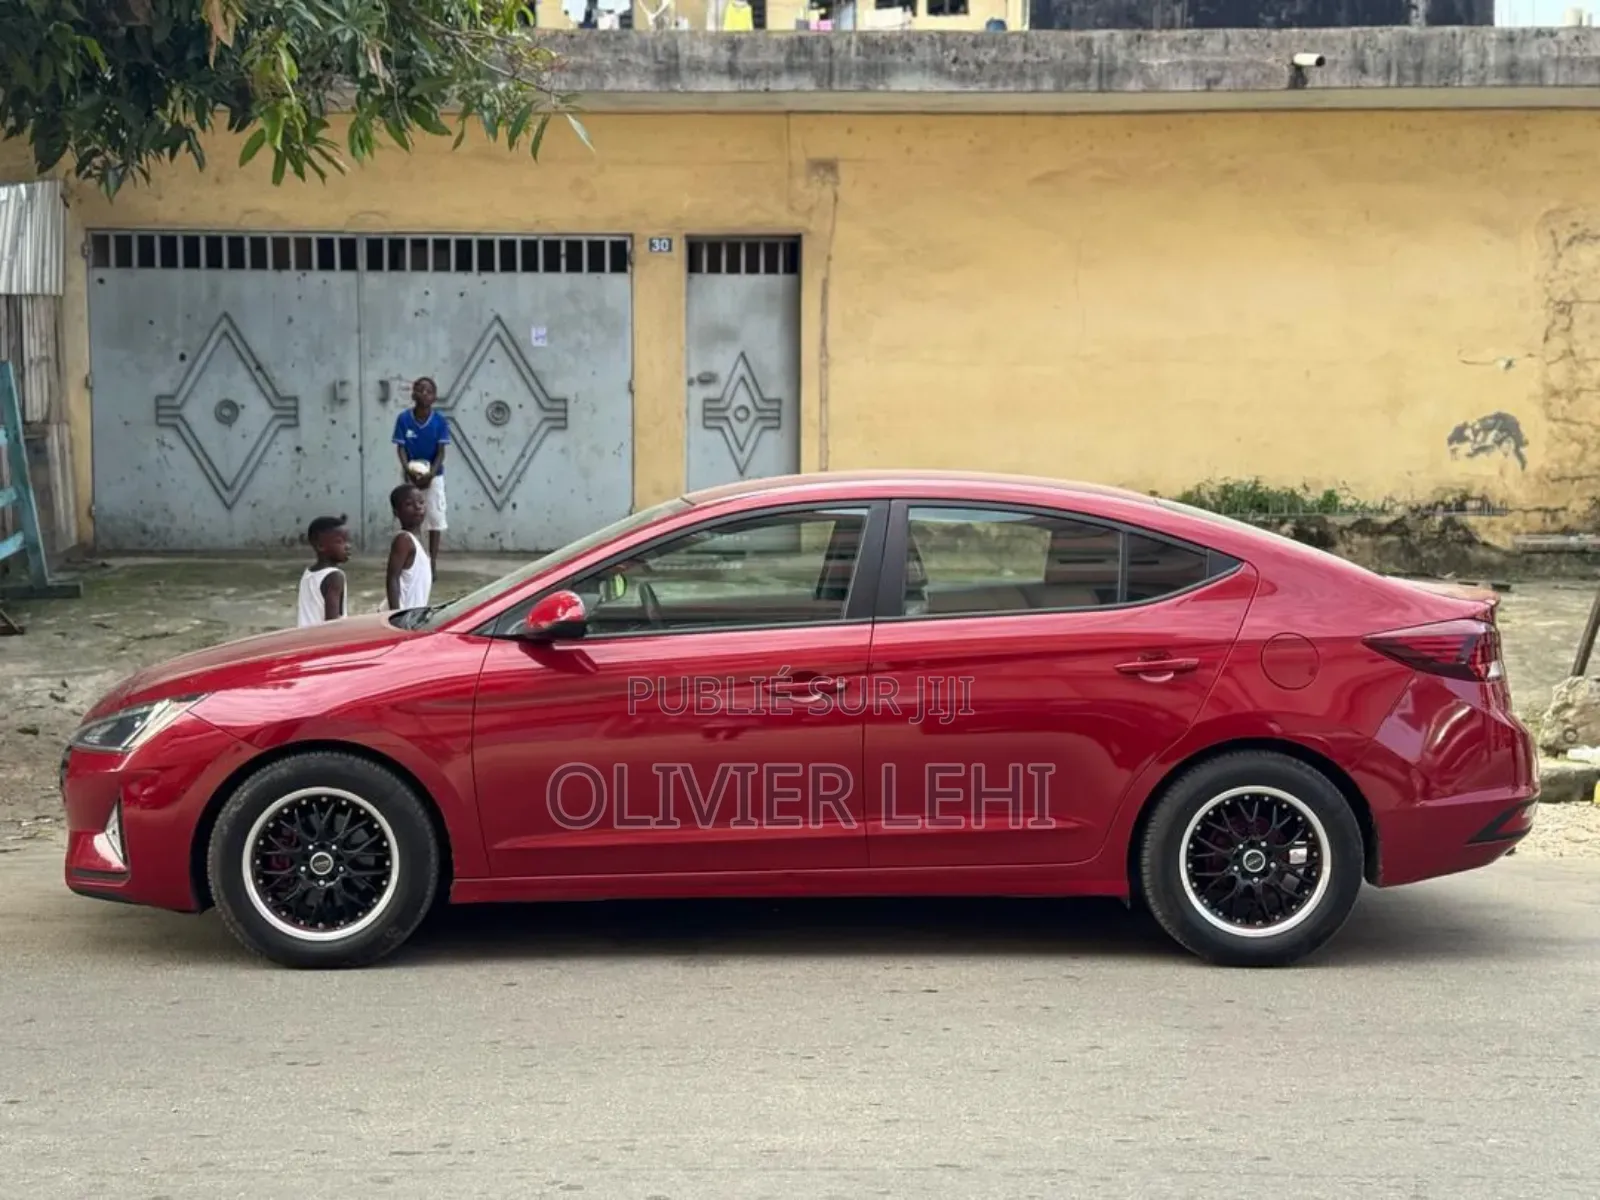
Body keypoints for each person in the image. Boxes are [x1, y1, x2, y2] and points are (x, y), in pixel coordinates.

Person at [392, 376, 449, 576]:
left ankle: (432, 560)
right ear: (413, 394)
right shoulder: (404, 419)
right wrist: (409, 470)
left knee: (434, 517)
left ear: (434, 397)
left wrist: (431, 474)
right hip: (411, 475)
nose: (424, 394)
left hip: (434, 475)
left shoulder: (440, 421)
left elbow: (441, 451)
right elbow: (401, 448)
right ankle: (413, 556)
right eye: (420, 390)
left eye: (428, 391)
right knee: (410, 515)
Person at [386, 484, 432, 613]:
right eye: (409, 504)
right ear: (396, 512)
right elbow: (392, 578)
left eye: (421, 502)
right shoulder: (404, 540)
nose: (418, 507)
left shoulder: (420, 540)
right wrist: (395, 615)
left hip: (413, 616)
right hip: (402, 615)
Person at [298, 514, 349, 627]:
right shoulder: (335, 577)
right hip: (324, 640)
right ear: (321, 546)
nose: (347, 546)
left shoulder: (308, 573)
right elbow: (332, 623)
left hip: (305, 639)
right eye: (340, 542)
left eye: (348, 541)